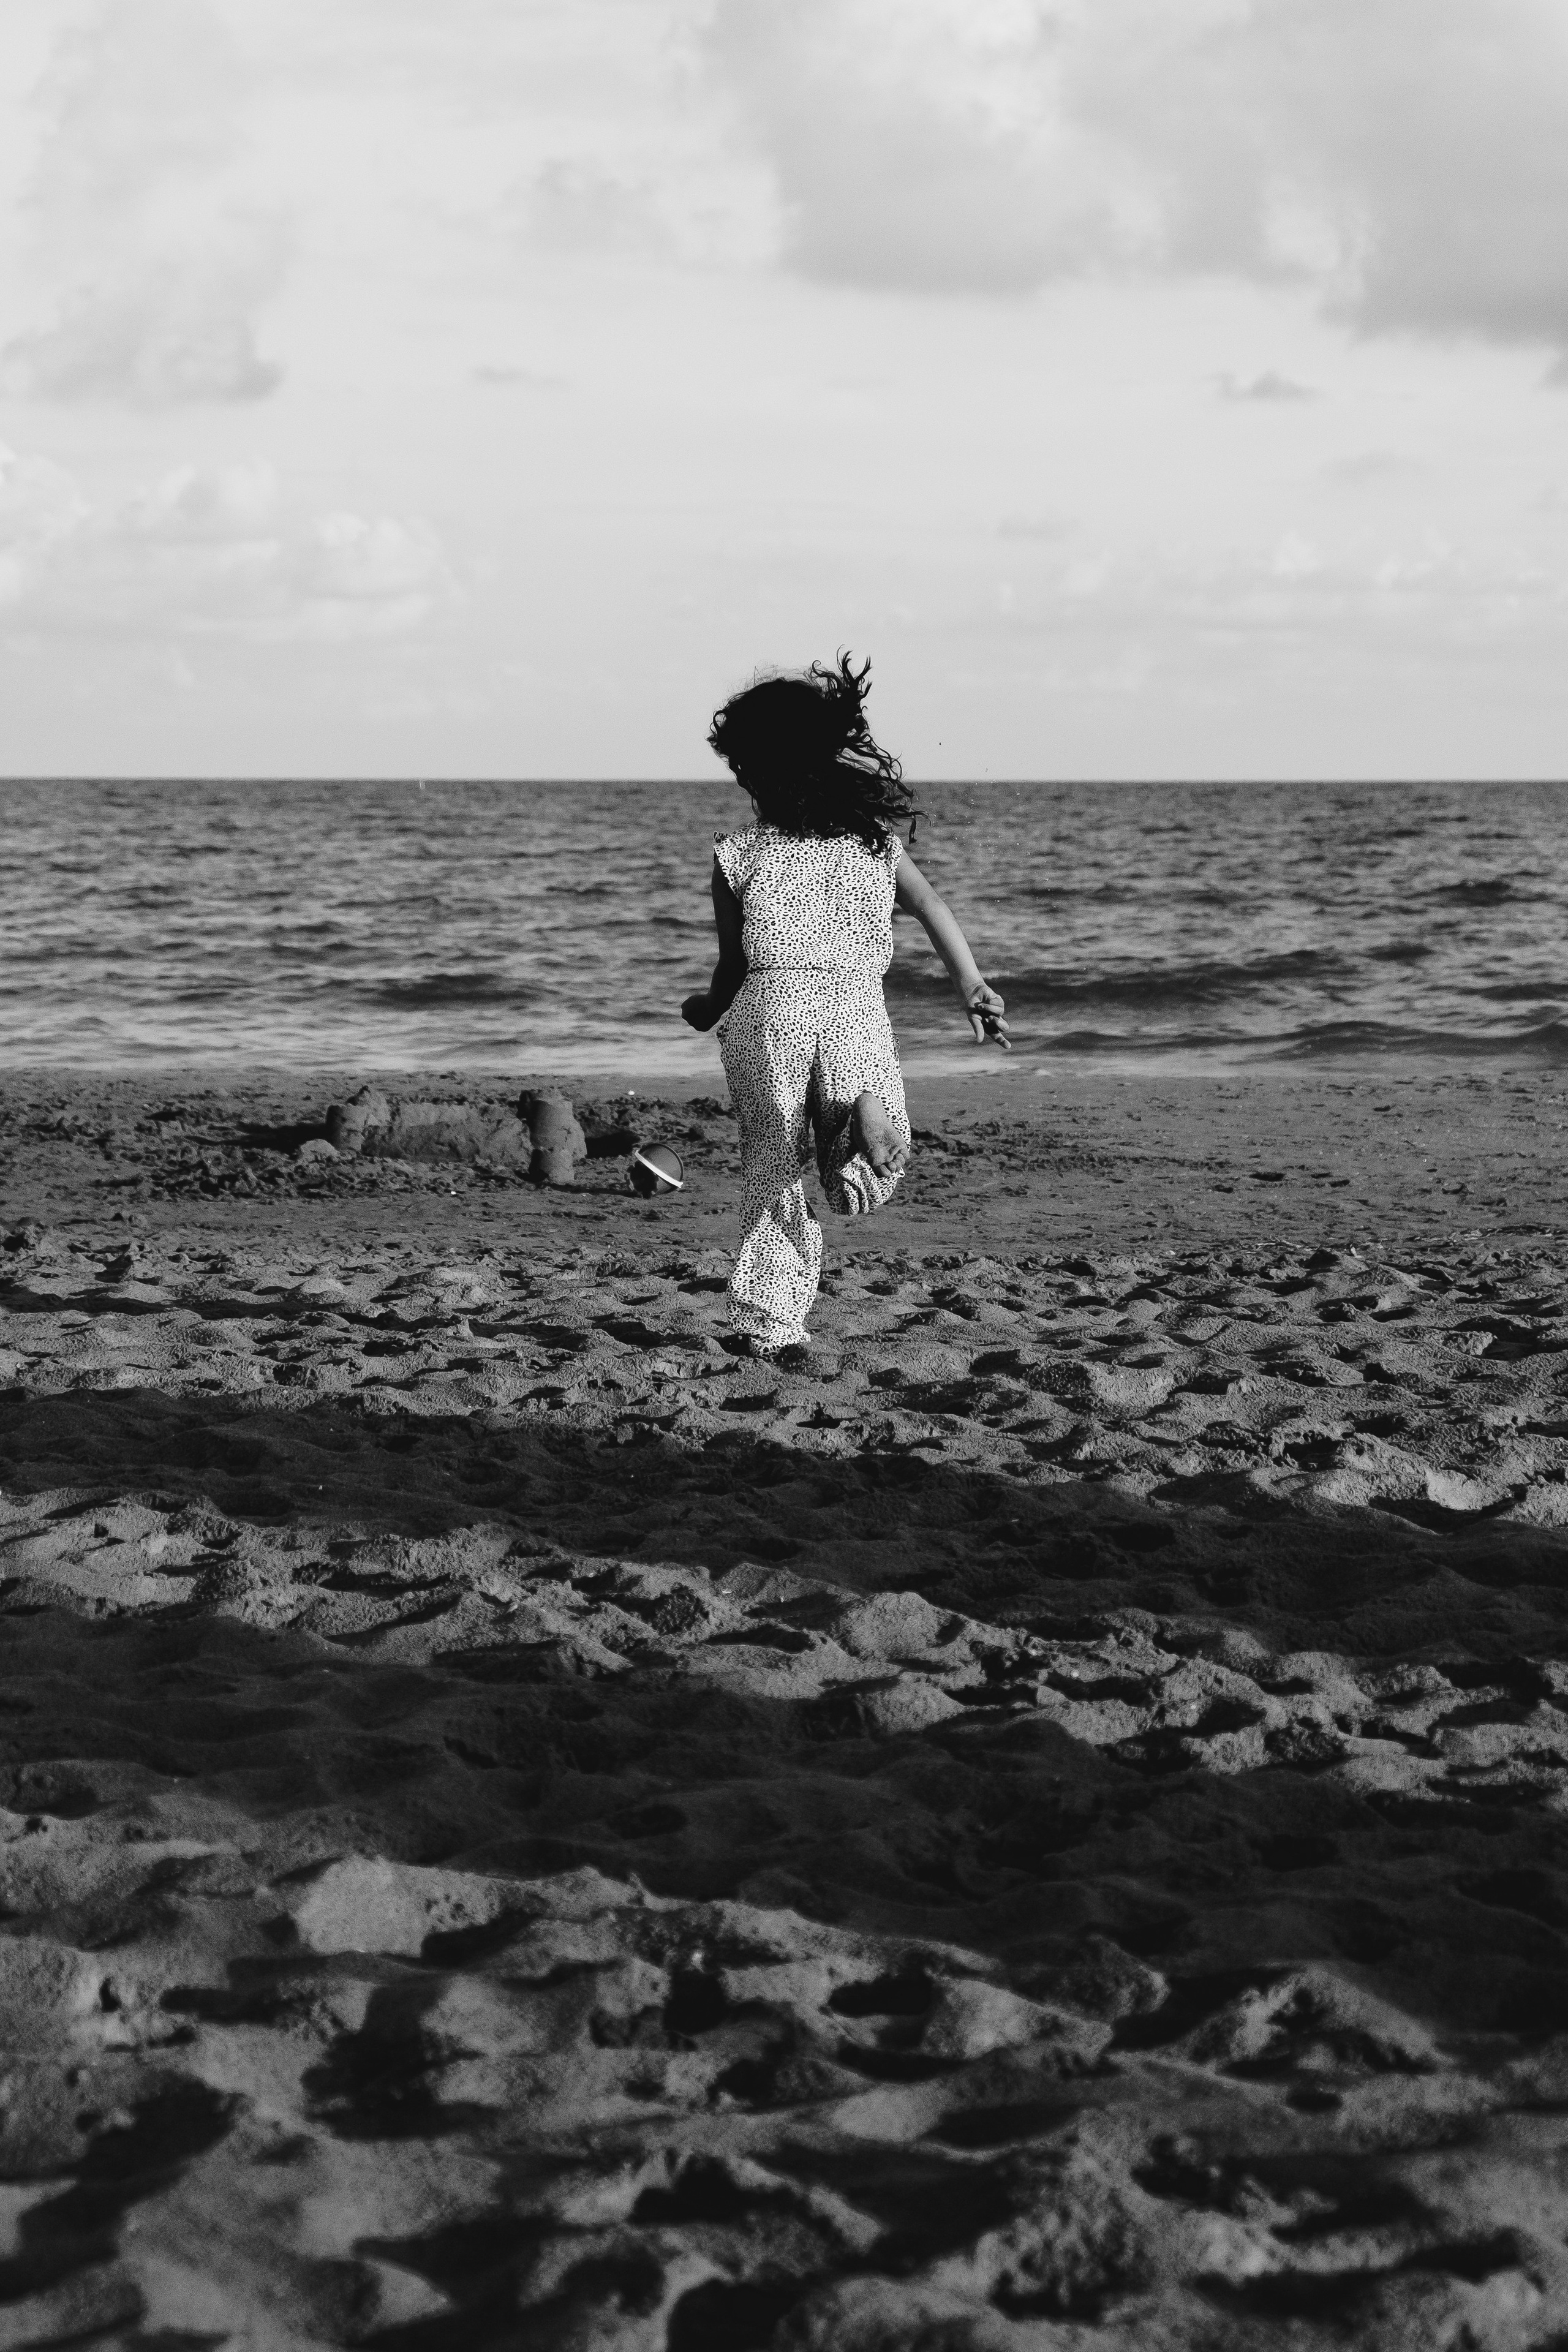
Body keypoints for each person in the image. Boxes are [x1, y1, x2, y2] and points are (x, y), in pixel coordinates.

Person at [681, 654, 1009, 1360]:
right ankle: (861, 1119)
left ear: (757, 771)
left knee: (772, 1167)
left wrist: (706, 1009)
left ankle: (771, 1328)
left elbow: (732, 965)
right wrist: (972, 987)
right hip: (853, 1010)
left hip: (769, 1014)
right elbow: (930, 908)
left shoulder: (739, 854)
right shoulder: (874, 847)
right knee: (858, 1176)